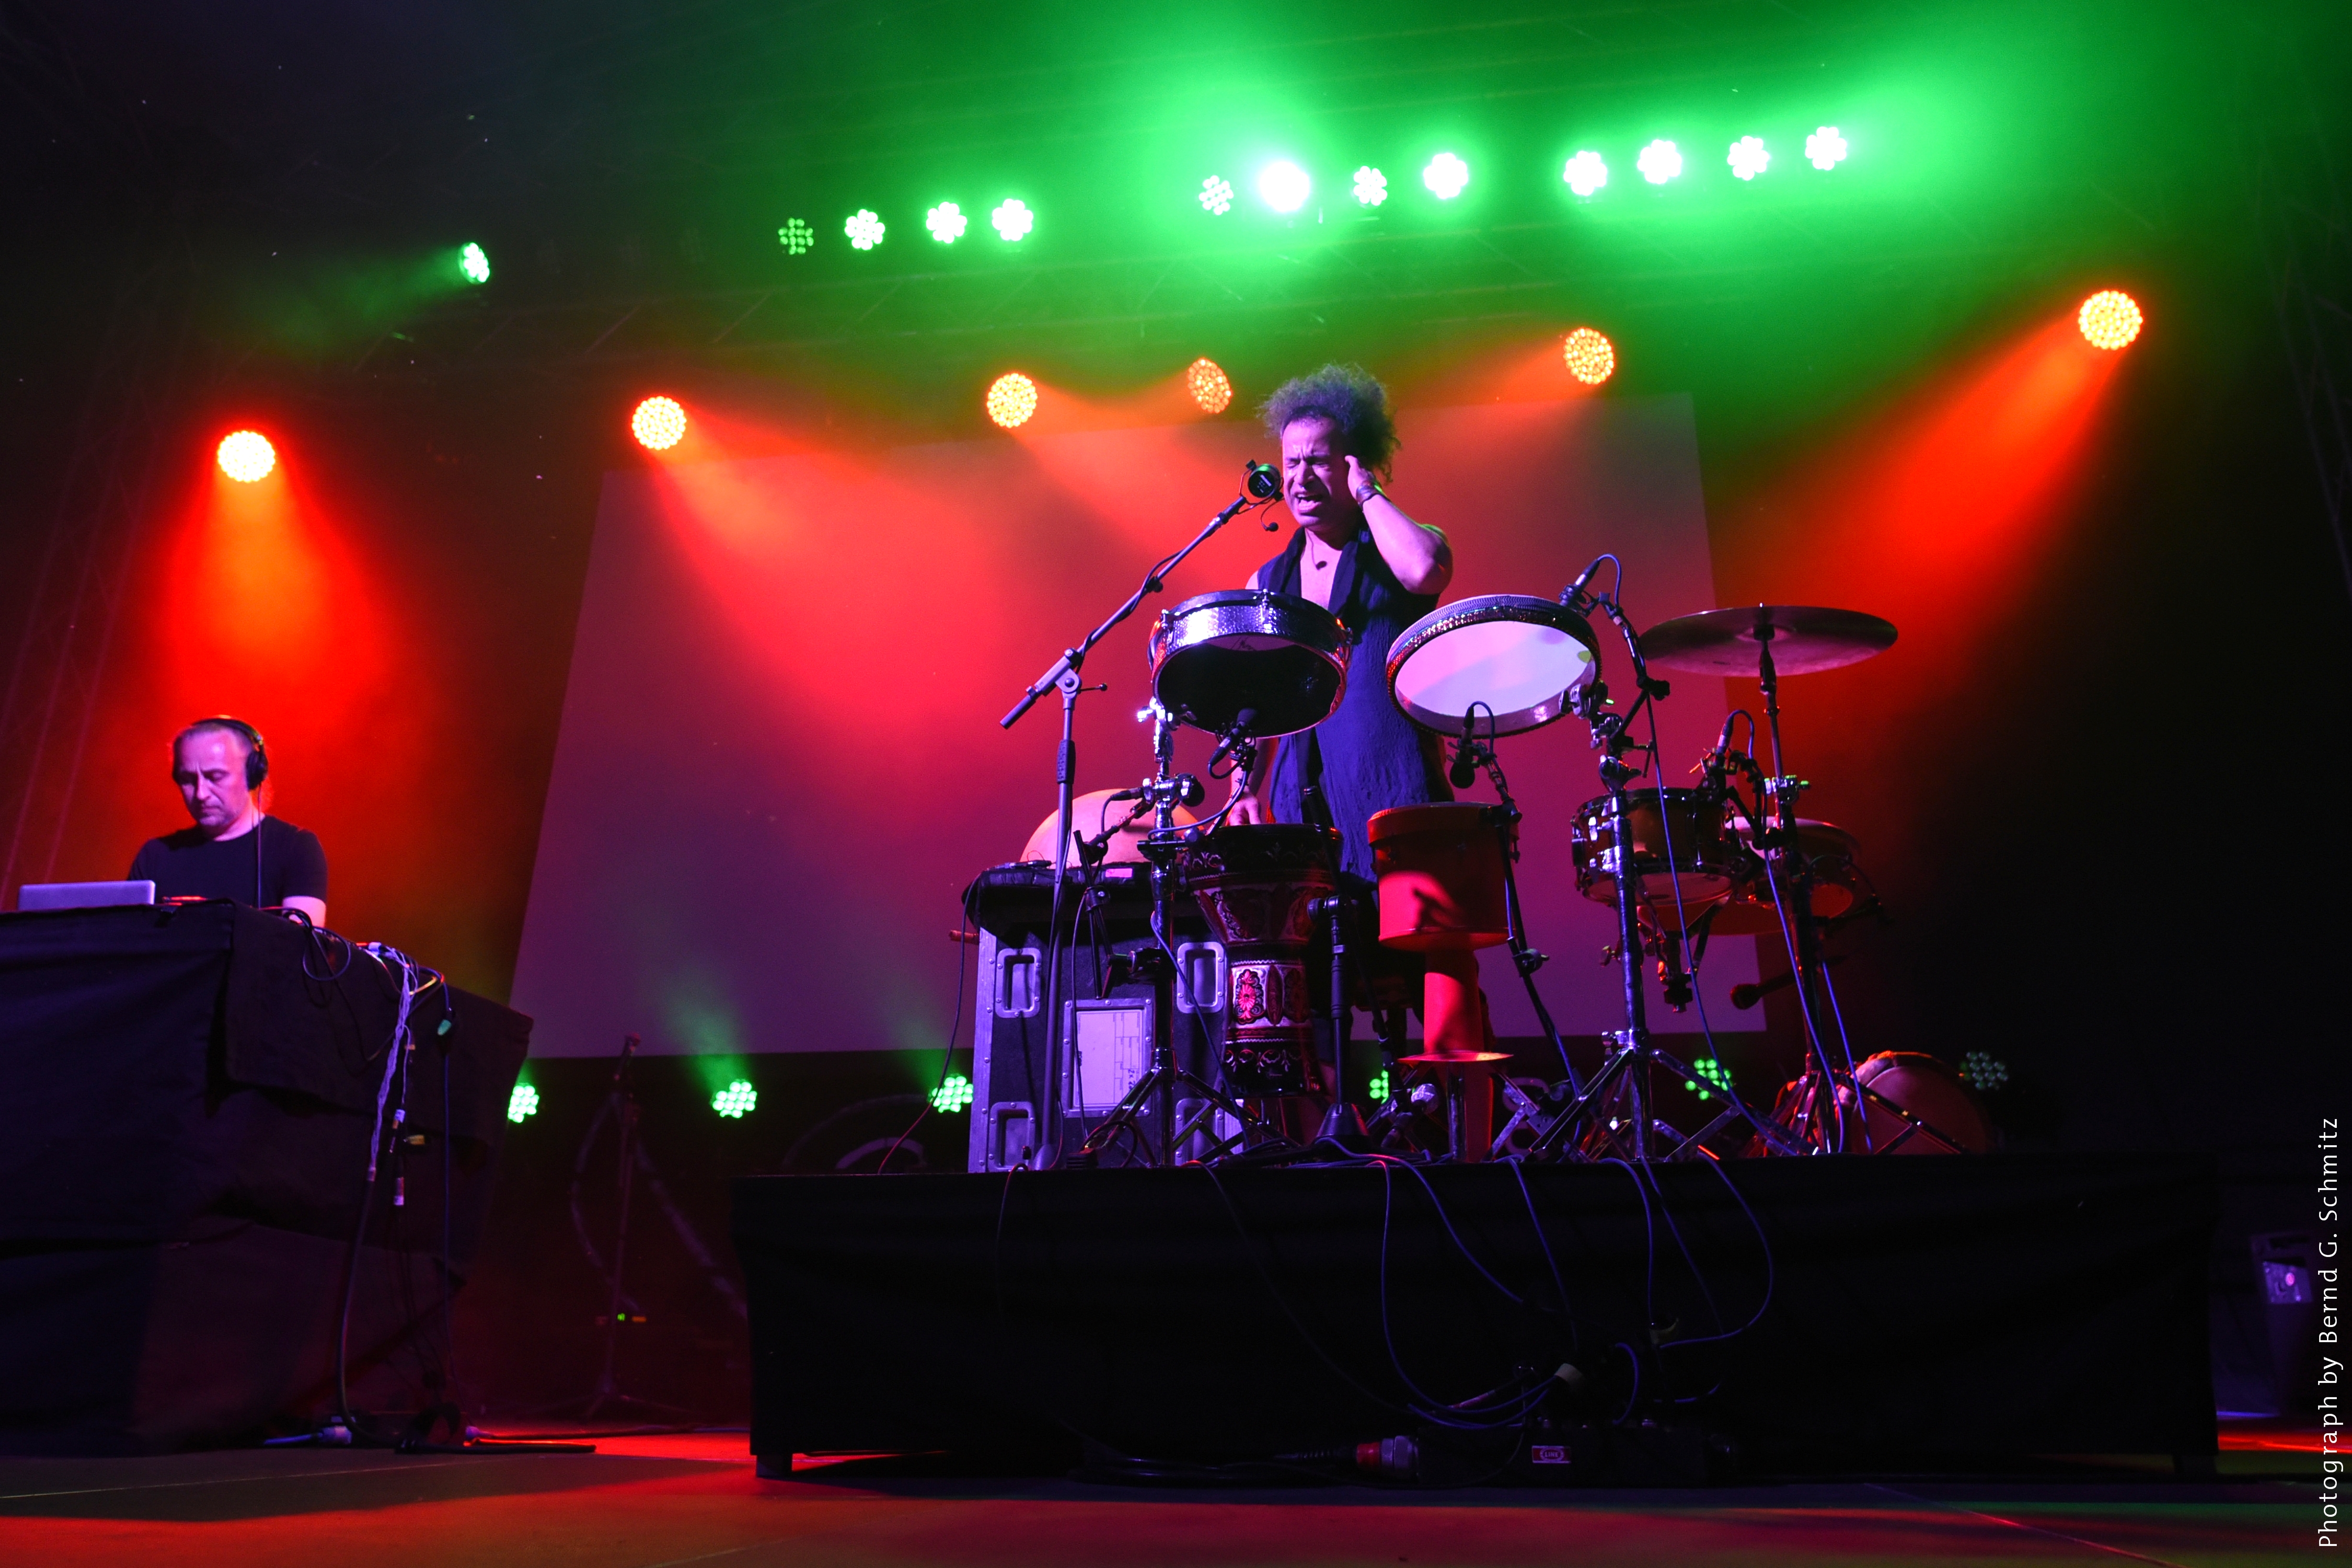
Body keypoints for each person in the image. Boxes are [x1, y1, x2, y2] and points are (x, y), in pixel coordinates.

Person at [1229, 364, 1454, 883]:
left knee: (1421, 953)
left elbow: (1424, 571)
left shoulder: (1398, 547)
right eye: (1291, 462)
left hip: (1393, 792)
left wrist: (1369, 495)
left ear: (1356, 466)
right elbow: (1258, 700)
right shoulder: (1268, 579)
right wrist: (1245, 790)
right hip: (1303, 805)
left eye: (1320, 461)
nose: (1301, 478)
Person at [129, 718, 328, 925]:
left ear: (252, 775)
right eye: (188, 780)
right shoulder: (154, 856)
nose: (201, 794)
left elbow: (302, 947)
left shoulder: (296, 848)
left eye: (215, 777)